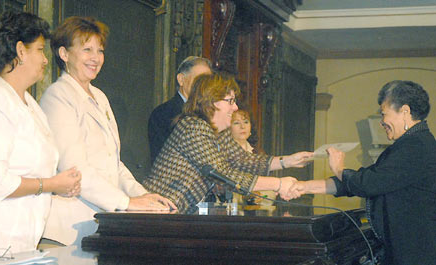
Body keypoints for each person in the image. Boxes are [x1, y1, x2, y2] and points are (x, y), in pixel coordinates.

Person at [39, 16, 176, 247]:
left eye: (100, 50)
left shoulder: (99, 97)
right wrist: (127, 202)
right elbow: (75, 169)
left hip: (100, 223)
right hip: (67, 232)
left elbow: (114, 163)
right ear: (64, 54)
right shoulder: (57, 96)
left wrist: (142, 196)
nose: (95, 58)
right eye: (87, 49)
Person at [288, 80, 436, 265]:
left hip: (415, 253)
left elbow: (368, 184)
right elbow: (359, 181)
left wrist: (339, 168)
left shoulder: (416, 146)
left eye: (384, 114)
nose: (382, 122)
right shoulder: (413, 144)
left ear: (405, 111)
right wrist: (302, 187)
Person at [143, 73, 313, 214]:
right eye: (230, 101)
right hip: (156, 210)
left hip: (177, 212)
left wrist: (287, 161)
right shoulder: (193, 127)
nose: (236, 107)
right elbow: (223, 174)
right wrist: (279, 184)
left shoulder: (219, 133)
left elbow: (244, 161)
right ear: (212, 101)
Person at [0, 11, 81, 253]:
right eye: (39, 49)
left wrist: (62, 184)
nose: (46, 59)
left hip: (21, 244)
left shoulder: (30, 104)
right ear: (20, 51)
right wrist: (51, 184)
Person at [148, 56, 212, 163]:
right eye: (200, 80)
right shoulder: (163, 114)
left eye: (208, 82)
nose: (205, 86)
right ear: (181, 79)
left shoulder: (210, 113)